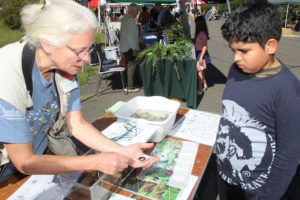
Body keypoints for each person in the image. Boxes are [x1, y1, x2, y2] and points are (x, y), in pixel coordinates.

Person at [0, 0, 159, 182]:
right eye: (79, 51)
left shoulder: (65, 66)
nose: (86, 59)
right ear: (48, 44)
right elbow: (25, 161)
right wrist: (94, 161)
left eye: (88, 49)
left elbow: (78, 124)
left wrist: (123, 151)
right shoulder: (7, 74)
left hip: (36, 168)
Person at [216, 0, 300, 199]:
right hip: (227, 179)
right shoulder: (235, 71)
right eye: (232, 50)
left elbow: (288, 156)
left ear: (270, 45)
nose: (236, 58)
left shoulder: (289, 93)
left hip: (258, 191)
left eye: (243, 51)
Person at [120, 3, 141, 93]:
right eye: (137, 11)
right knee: (131, 66)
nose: (137, 13)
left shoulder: (125, 18)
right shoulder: (130, 20)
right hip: (129, 46)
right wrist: (134, 48)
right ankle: (130, 86)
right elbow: (130, 36)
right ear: (132, 10)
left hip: (125, 45)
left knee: (129, 65)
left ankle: (129, 84)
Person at [194, 15, 210, 96]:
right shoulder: (201, 33)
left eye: (196, 23)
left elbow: (205, 46)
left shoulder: (202, 34)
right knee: (201, 70)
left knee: (199, 71)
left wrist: (200, 58)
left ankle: (200, 89)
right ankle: (205, 84)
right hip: (199, 53)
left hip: (201, 54)